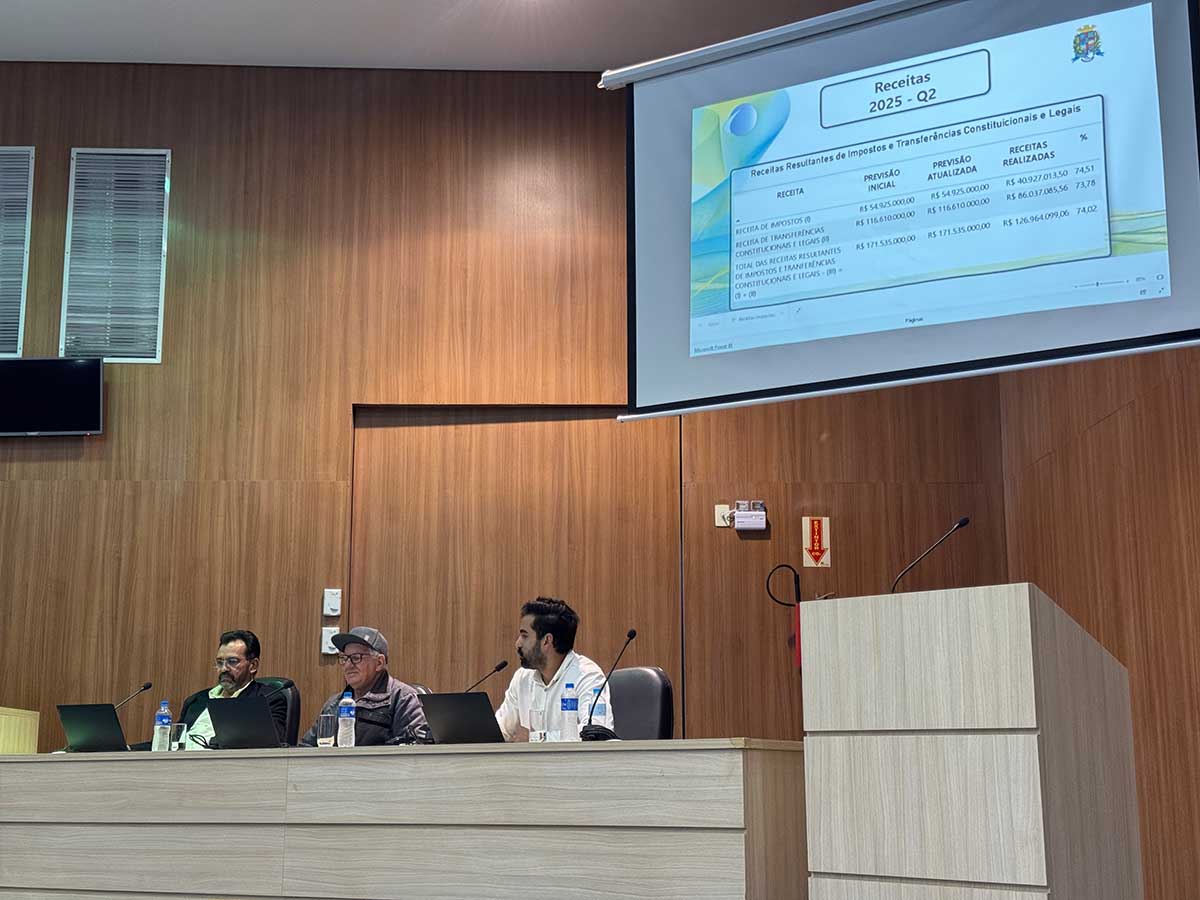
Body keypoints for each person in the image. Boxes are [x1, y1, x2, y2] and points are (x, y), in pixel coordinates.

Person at [495, 597, 613, 742]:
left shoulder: (587, 676)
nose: (518, 643)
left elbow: (596, 733)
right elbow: (501, 731)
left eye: (524, 636)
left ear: (546, 641)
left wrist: (536, 738)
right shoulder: (523, 678)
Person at [299, 626, 427, 746]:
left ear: (379, 662)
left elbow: (414, 749)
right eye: (344, 658)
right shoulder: (333, 705)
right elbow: (306, 748)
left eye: (356, 658)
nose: (348, 665)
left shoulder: (403, 698)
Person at [180, 629, 289, 749]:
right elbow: (175, 740)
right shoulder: (196, 700)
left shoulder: (267, 699)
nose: (223, 669)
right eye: (219, 662)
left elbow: (272, 744)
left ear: (253, 665)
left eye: (232, 662)